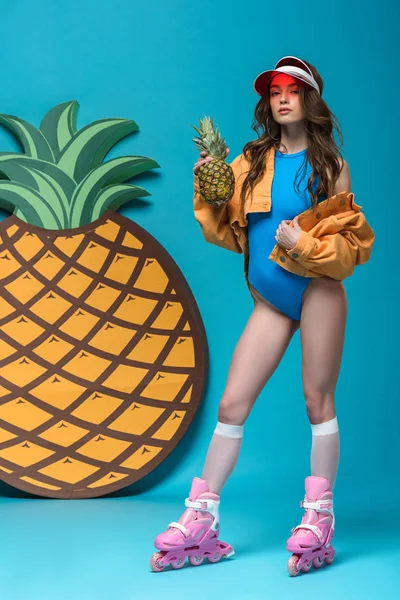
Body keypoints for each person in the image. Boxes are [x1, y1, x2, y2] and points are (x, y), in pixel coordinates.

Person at [150, 56, 372, 575]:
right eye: (274, 91)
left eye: (293, 89)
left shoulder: (331, 165)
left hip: (319, 290)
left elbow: (350, 245)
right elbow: (225, 228)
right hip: (271, 300)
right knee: (231, 403)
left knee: (317, 402)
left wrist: (304, 241)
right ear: (267, 102)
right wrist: (207, 186)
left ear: (309, 98)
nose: (282, 97)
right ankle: (200, 516)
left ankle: (319, 518)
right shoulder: (250, 160)